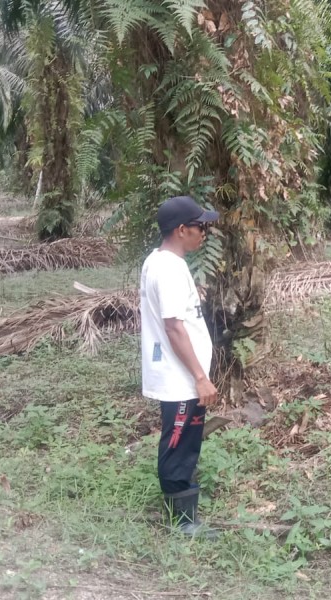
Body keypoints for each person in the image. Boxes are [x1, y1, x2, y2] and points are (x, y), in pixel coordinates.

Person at [139, 195, 220, 537]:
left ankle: (184, 504)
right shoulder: (169, 269)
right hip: (181, 376)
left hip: (181, 374)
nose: (204, 233)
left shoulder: (159, 261)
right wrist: (200, 377)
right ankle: (182, 521)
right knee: (178, 444)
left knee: (185, 441)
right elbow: (174, 327)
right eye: (201, 227)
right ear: (182, 229)